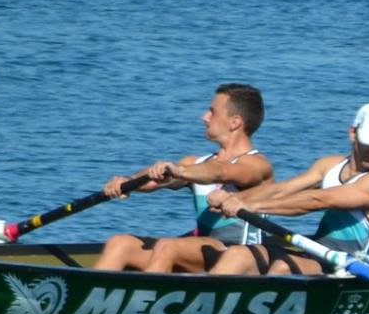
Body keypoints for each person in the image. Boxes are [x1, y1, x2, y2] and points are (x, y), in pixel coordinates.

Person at [96, 84, 274, 272]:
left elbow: (222, 172)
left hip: (242, 255)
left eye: (212, 112)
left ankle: (147, 297)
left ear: (235, 122)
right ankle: (89, 297)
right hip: (203, 250)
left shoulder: (257, 164)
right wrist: (127, 182)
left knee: (168, 246)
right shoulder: (196, 163)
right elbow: (151, 182)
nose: (204, 117)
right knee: (120, 243)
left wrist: (180, 171)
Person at [209, 105, 369, 276]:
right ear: (353, 132)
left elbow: (317, 201)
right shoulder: (330, 164)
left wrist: (250, 205)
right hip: (317, 254)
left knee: (284, 267)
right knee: (239, 254)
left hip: (351, 269)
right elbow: (283, 190)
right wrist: (234, 197)